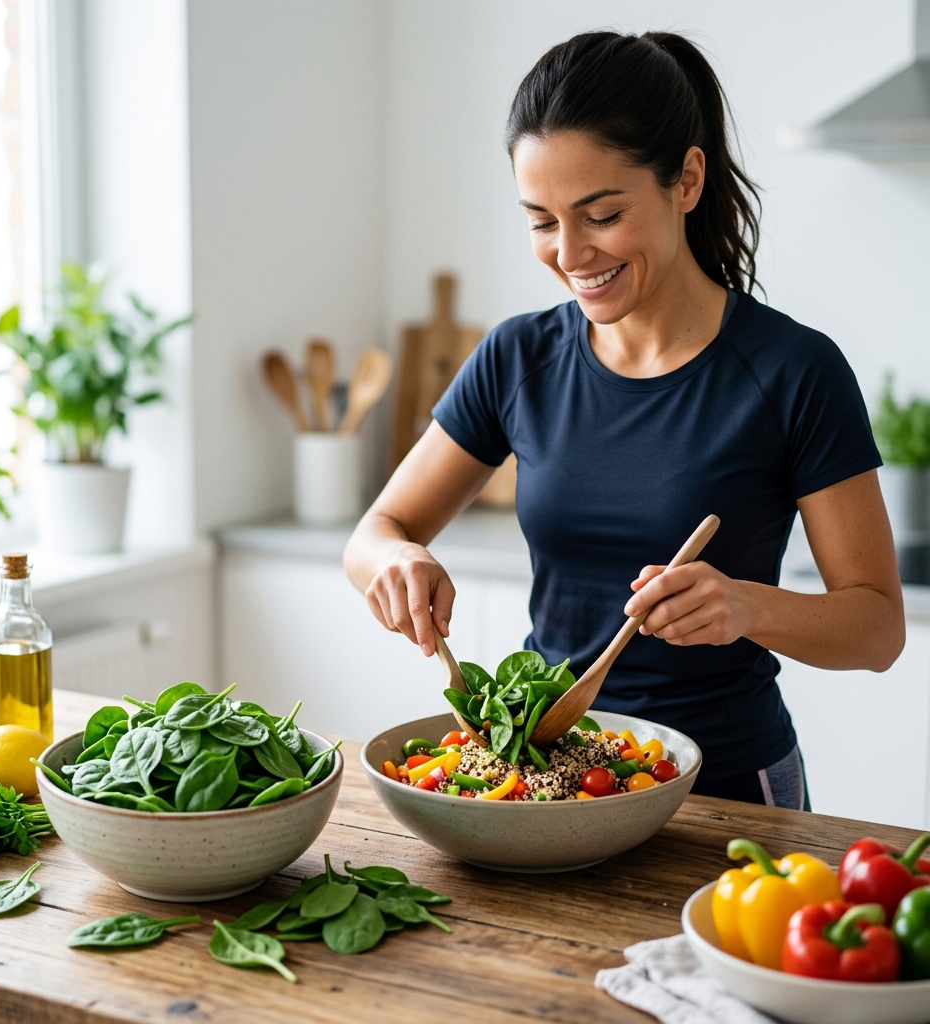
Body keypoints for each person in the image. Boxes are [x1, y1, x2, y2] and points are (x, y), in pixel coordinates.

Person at [343, 31, 904, 809]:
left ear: (686, 180)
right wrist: (394, 563)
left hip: (727, 790)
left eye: (601, 214)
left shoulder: (792, 371)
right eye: (541, 221)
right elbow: (377, 530)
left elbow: (877, 629)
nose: (570, 253)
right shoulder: (518, 358)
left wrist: (747, 606)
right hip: (549, 781)